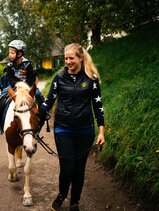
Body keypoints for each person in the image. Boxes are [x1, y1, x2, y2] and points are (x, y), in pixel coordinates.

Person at [39, 43, 105, 211]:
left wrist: (101, 131)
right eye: (66, 58)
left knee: (79, 170)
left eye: (71, 58)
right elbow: (48, 102)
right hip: (63, 129)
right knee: (68, 168)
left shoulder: (92, 79)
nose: (67, 61)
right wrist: (36, 122)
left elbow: (98, 106)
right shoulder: (59, 77)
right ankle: (62, 195)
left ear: (80, 58)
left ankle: (74, 202)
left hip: (85, 131)